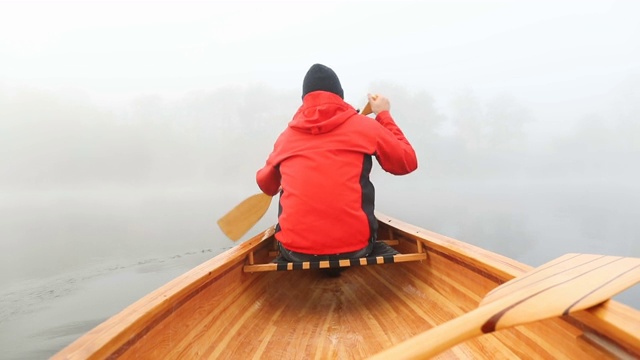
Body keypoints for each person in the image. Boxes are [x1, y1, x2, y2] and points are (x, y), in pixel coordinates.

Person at [256, 63, 417, 266]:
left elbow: (266, 185)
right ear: (340, 95)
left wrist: (280, 179)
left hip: (296, 253)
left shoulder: (287, 137)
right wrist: (383, 115)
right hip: (357, 249)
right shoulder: (366, 127)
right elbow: (407, 162)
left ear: (304, 99)